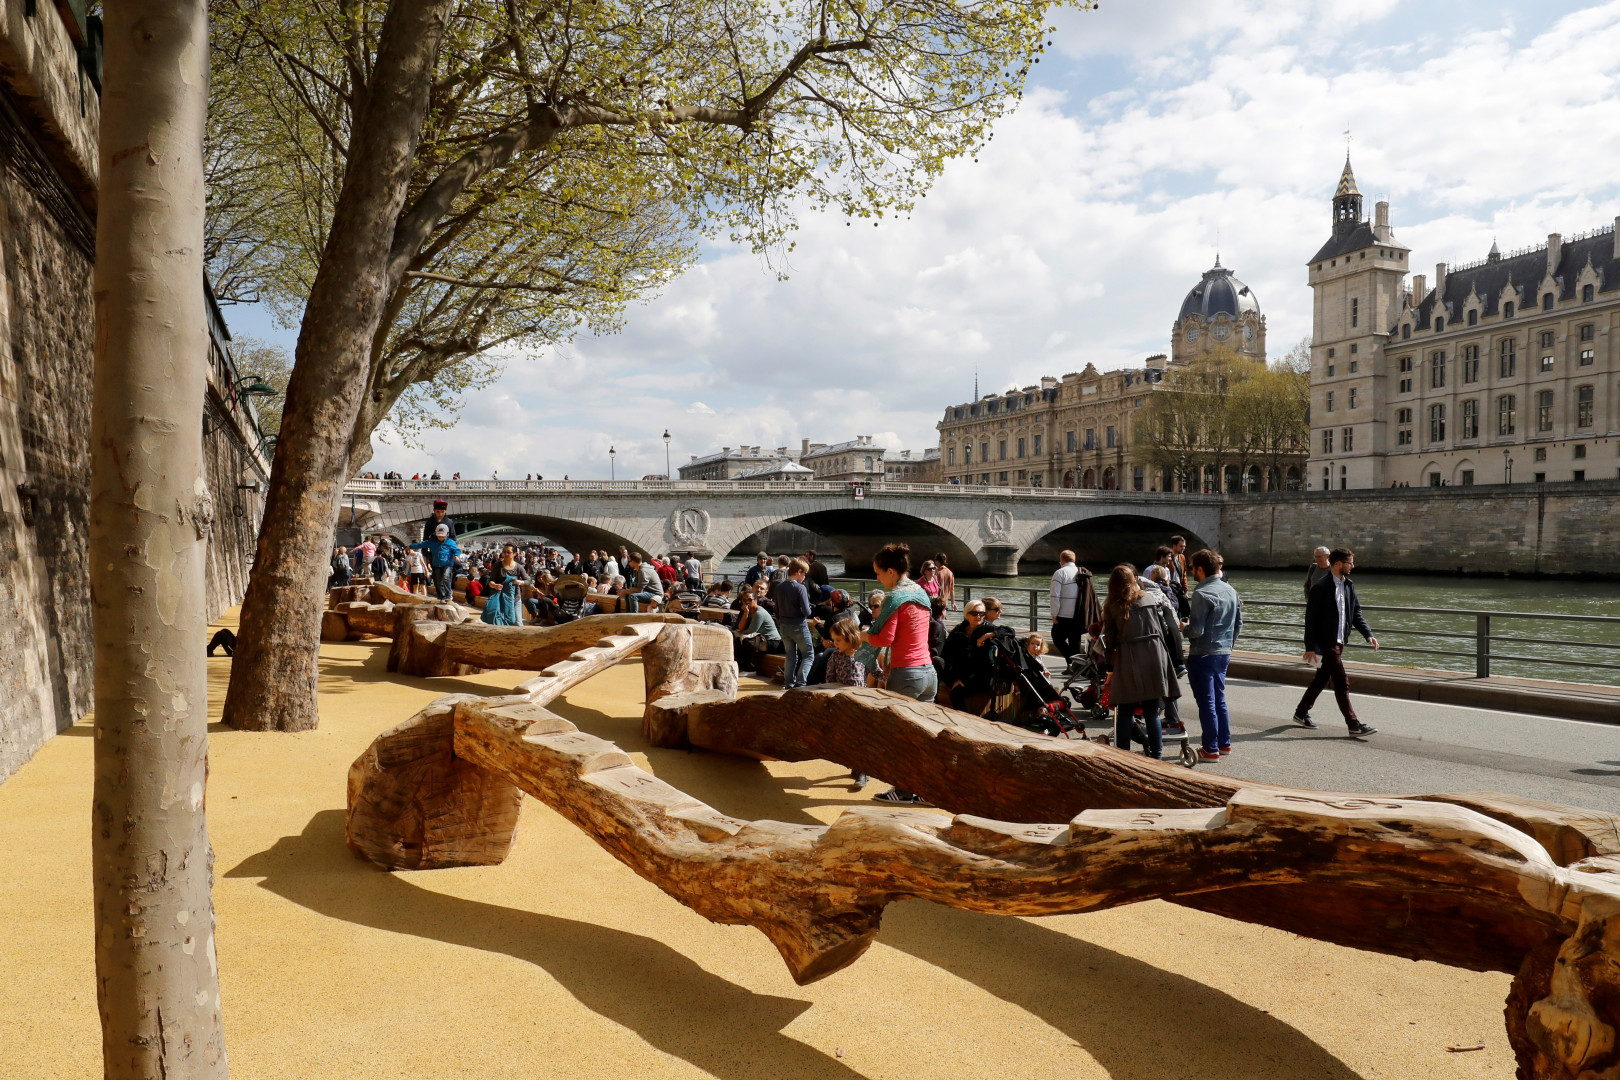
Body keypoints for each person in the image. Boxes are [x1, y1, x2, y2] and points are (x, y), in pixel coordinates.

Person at [864, 543, 937, 804]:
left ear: (891, 571)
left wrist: (861, 636)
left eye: (878, 572)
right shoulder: (921, 593)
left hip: (906, 674)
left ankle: (904, 791)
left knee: (901, 738)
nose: (877, 578)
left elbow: (884, 636)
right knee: (922, 737)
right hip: (929, 673)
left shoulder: (895, 598)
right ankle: (927, 790)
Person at [1294, 547, 1379, 737]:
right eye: (1350, 563)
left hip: (1339, 641)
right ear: (1338, 564)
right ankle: (1353, 724)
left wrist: (1368, 634)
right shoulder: (1321, 588)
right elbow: (1311, 620)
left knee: (1321, 679)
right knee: (1342, 681)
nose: (1353, 566)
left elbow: (1356, 612)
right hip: (1326, 642)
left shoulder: (1348, 585)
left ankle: (1300, 712)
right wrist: (1309, 647)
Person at [1100, 564, 1182, 760]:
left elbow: (1109, 641)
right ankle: (1157, 755)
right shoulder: (1148, 598)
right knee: (1151, 709)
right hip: (1154, 653)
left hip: (1129, 655)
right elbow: (1162, 627)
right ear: (1134, 580)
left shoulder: (1113, 605)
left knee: (1125, 708)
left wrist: (1109, 669)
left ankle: (1123, 755)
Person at [1184, 548, 1242, 762]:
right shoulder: (1230, 590)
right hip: (1223, 653)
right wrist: (1228, 644)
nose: (1191, 572)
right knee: (1219, 699)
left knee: (1206, 702)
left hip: (1203, 654)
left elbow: (1197, 630)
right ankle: (1224, 744)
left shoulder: (1201, 593)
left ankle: (1210, 749)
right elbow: (1238, 624)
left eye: (1192, 568)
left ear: (1200, 569)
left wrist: (1183, 628)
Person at [1049, 550, 1098, 660]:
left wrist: (1054, 614)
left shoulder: (1060, 573)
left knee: (1057, 638)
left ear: (1062, 560)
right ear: (1074, 560)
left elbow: (1055, 596)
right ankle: (1074, 666)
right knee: (1074, 641)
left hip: (1064, 614)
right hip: (1079, 614)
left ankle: (1071, 660)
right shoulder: (1081, 572)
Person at [942, 600, 990, 710]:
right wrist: (956, 678)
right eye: (974, 613)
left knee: (956, 694)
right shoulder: (958, 631)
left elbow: (1009, 631)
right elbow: (948, 655)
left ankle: (963, 721)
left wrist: (987, 635)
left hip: (981, 674)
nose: (978, 616)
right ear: (967, 614)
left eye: (982, 614)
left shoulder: (987, 628)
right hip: (961, 672)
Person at [775, 558, 815, 689]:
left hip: (784, 626)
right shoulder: (800, 588)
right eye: (804, 574)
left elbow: (776, 610)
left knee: (791, 656)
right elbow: (806, 611)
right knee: (808, 655)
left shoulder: (779, 587)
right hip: (798, 625)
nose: (804, 577)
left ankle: (788, 684)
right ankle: (800, 684)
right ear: (799, 572)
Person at [481, 543, 529, 626]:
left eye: (508, 552)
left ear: (514, 554)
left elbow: (528, 581)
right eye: (504, 552)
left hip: (515, 598)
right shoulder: (497, 565)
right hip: (501, 600)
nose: (505, 554)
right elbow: (491, 582)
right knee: (500, 623)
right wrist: (495, 586)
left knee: (518, 623)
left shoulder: (519, 567)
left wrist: (519, 582)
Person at [411, 523, 461, 602]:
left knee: (445, 577)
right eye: (439, 536)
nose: (440, 538)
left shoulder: (450, 542)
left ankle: (448, 594)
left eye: (442, 536)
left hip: (447, 564)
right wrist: (411, 546)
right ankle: (441, 595)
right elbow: (423, 544)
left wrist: (457, 555)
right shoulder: (433, 542)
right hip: (437, 564)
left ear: (447, 534)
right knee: (437, 581)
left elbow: (456, 550)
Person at [733, 591, 782, 671]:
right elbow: (741, 628)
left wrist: (741, 632)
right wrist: (745, 613)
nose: (747, 602)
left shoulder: (759, 613)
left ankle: (750, 669)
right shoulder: (747, 611)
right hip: (759, 639)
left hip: (772, 642)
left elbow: (751, 631)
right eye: (744, 600)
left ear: (756, 600)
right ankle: (740, 666)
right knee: (737, 639)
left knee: (746, 641)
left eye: (750, 600)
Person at [1165, 536, 1190, 620]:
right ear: (1174, 546)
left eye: (1184, 546)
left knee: (1183, 612)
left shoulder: (1182, 557)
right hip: (1170, 589)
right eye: (1181, 546)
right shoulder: (1167, 558)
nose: (1183, 548)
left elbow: (1184, 574)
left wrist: (1186, 590)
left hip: (1179, 589)